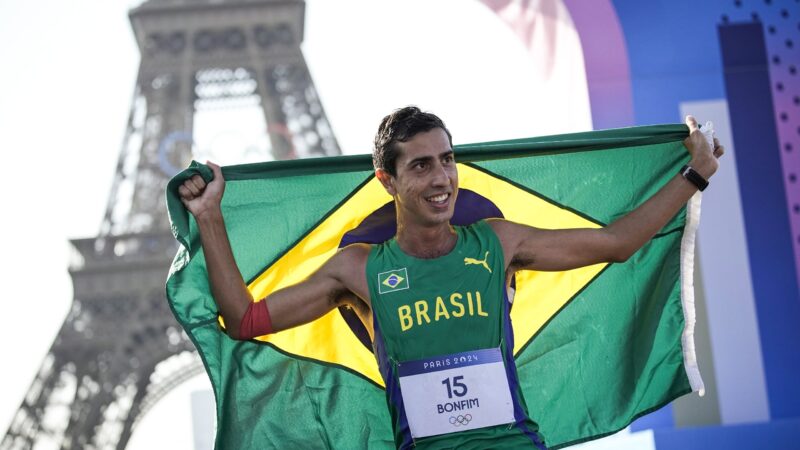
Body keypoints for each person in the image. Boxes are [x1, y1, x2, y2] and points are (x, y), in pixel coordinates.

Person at [178, 106, 723, 449]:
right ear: (386, 179)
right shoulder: (360, 270)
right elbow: (245, 320)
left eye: (447, 159)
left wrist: (695, 174)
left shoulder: (498, 242)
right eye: (421, 166)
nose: (442, 179)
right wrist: (209, 218)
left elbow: (618, 243)